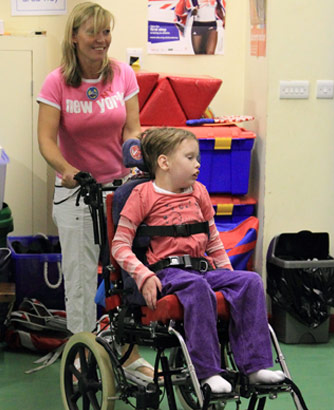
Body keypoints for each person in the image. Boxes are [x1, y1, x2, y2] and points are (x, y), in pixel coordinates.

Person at [112, 127, 285, 394]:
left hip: (202, 269)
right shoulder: (141, 195)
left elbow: (213, 240)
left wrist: (228, 278)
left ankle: (254, 367)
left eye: (198, 158)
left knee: (250, 281)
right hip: (168, 274)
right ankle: (207, 372)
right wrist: (143, 275)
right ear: (164, 162)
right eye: (190, 157)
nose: (198, 164)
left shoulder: (200, 192)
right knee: (197, 288)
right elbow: (120, 245)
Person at [37, 1, 153, 381]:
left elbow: (132, 126)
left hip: (120, 190)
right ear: (74, 37)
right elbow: (46, 140)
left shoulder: (122, 75)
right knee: (82, 277)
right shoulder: (57, 82)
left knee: (125, 273)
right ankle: (81, 356)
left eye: (106, 32)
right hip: (76, 194)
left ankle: (129, 351)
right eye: (93, 32)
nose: (101, 40)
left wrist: (136, 152)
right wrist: (68, 172)